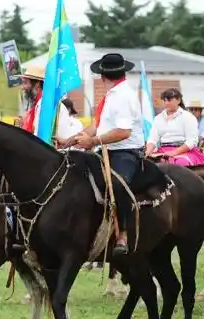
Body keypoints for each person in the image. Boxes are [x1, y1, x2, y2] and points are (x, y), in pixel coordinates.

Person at [61, 52, 145, 258]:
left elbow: (124, 132)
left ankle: (122, 234)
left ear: (104, 76)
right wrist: (70, 141)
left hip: (125, 152)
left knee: (117, 183)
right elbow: (98, 126)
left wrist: (93, 142)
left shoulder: (123, 96)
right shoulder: (112, 95)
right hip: (105, 149)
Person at [145, 88, 204, 167]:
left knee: (178, 164)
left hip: (184, 151)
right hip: (163, 151)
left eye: (169, 100)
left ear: (178, 100)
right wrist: (148, 151)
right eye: (164, 100)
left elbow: (191, 141)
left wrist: (174, 152)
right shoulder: (158, 118)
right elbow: (152, 139)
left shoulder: (188, 117)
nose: (166, 103)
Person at [17, 66, 70, 143]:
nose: (23, 87)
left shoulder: (46, 105)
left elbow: (41, 138)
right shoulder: (39, 104)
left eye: (25, 83)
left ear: (37, 84)